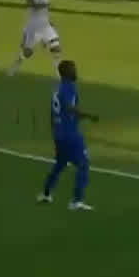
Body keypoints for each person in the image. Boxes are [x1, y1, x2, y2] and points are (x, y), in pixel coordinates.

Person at [39, 59, 96, 211]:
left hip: (59, 134)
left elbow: (55, 113)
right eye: (73, 69)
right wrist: (88, 116)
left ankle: (46, 193)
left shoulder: (57, 88)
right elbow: (70, 108)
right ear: (67, 73)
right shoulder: (69, 87)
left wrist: (56, 130)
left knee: (60, 164)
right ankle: (76, 201)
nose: (76, 72)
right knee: (83, 165)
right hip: (70, 135)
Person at [10, 0, 63, 75]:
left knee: (56, 48)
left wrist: (49, 21)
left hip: (45, 24)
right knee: (28, 52)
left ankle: (60, 75)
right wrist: (44, 5)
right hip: (34, 26)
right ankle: (14, 68)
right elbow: (29, 2)